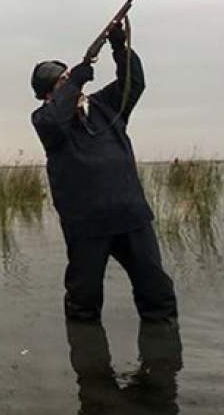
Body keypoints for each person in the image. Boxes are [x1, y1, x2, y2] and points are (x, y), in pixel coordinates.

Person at [30, 20, 177, 323]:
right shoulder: (45, 119)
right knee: (83, 301)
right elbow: (56, 119)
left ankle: (163, 349)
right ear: (48, 95)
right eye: (61, 83)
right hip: (86, 224)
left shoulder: (105, 105)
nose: (70, 85)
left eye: (68, 78)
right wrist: (74, 82)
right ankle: (86, 351)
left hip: (130, 215)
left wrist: (119, 47)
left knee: (157, 291)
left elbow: (134, 83)